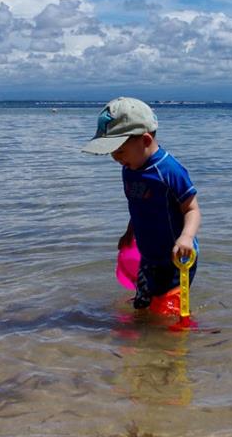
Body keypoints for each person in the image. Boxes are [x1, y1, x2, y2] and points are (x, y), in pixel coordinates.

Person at [82, 97, 201, 310]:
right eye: (112, 152)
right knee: (142, 308)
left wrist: (187, 237)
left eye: (119, 150)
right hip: (148, 256)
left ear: (145, 141)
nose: (115, 158)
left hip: (176, 258)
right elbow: (138, 206)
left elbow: (192, 209)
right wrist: (130, 233)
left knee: (167, 311)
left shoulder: (169, 171)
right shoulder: (129, 169)